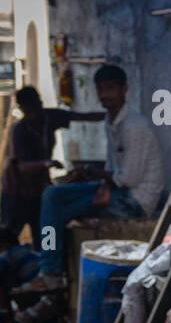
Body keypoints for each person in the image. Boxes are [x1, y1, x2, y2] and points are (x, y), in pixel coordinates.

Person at [24, 65, 165, 291]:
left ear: (124, 89)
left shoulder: (134, 126)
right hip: (118, 190)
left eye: (110, 89)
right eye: (100, 89)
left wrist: (92, 172)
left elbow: (129, 178)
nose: (104, 95)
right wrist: (101, 183)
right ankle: (49, 266)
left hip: (134, 200)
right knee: (51, 196)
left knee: (58, 210)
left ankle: (50, 270)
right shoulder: (112, 121)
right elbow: (113, 168)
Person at [0, 86, 104, 241]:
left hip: (39, 192)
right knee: (7, 237)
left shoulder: (50, 117)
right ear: (22, 110)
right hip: (16, 194)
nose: (33, 115)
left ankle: (47, 259)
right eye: (28, 112)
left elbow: (83, 116)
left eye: (35, 109)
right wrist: (47, 163)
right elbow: (22, 167)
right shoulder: (19, 130)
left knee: (45, 236)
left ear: (40, 104)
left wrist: (111, 115)